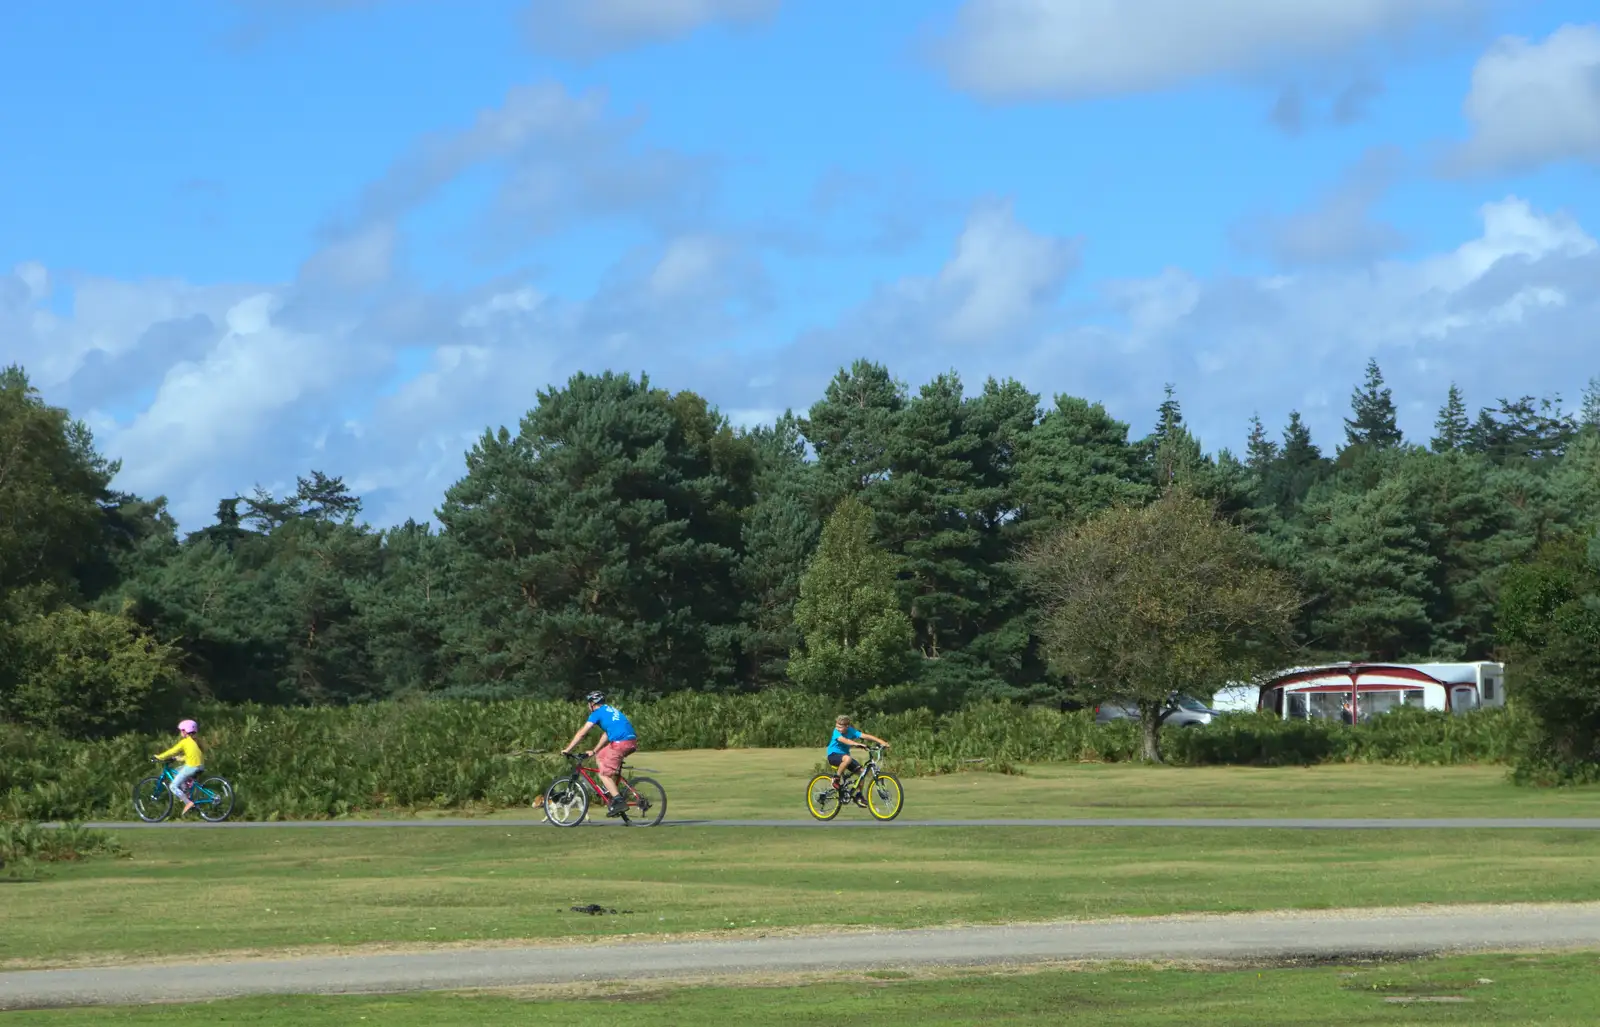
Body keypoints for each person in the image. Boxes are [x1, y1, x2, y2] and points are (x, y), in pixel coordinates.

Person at [562, 692, 638, 817]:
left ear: (592, 703)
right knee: (600, 756)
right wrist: (595, 750)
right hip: (630, 741)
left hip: (620, 743)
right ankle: (611, 789)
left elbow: (582, 733)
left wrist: (568, 749)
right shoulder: (610, 710)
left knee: (603, 774)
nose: (588, 706)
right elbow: (608, 733)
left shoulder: (596, 713)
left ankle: (618, 801)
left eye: (588, 703)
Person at [826, 715, 889, 807]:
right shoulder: (836, 733)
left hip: (845, 757)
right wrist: (856, 744)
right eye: (837, 726)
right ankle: (836, 779)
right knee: (847, 758)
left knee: (862, 773)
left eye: (840, 727)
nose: (837, 729)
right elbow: (845, 740)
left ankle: (859, 796)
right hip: (833, 755)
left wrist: (882, 742)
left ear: (847, 726)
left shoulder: (851, 730)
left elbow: (865, 736)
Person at [153, 718, 205, 816]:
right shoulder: (196, 742)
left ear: (185, 731)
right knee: (176, 771)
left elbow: (172, 751)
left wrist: (159, 757)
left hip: (191, 767)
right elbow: (192, 756)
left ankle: (188, 802)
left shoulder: (185, 742)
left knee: (172, 786)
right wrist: (179, 758)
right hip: (200, 766)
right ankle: (186, 791)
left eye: (181, 730)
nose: (180, 732)